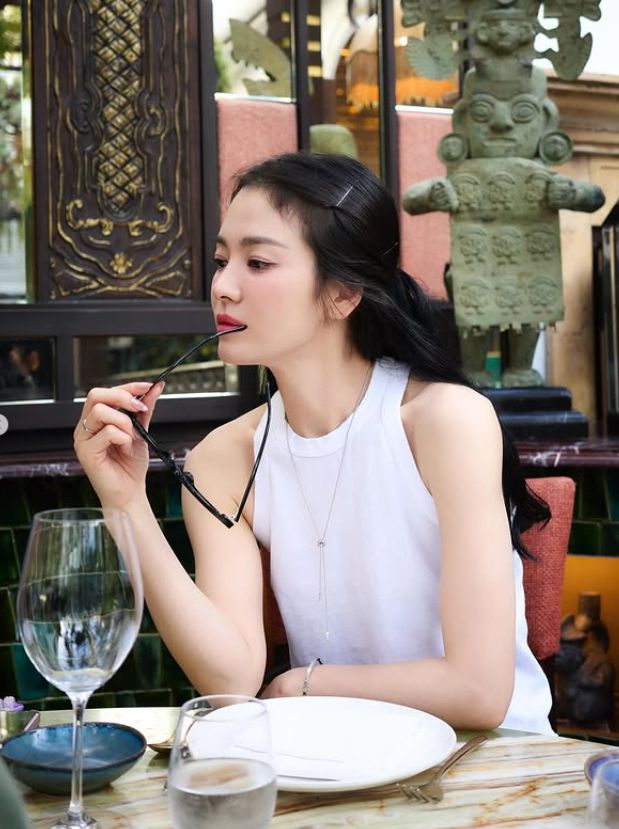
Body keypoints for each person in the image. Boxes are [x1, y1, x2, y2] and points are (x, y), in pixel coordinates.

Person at [74, 152, 553, 733]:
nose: (222, 287)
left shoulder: (444, 421)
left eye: (257, 262)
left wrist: (303, 685)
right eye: (222, 261)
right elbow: (230, 681)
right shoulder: (223, 459)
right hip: (334, 758)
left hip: (492, 757)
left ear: (343, 294)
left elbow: (479, 693)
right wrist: (126, 503)